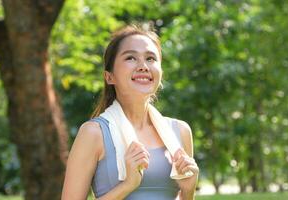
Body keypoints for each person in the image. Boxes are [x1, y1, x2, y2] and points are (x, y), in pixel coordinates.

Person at [61, 24, 199, 200]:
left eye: (150, 58)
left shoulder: (180, 131)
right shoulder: (93, 133)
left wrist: (188, 192)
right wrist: (128, 185)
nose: (143, 66)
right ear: (109, 76)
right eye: (131, 58)